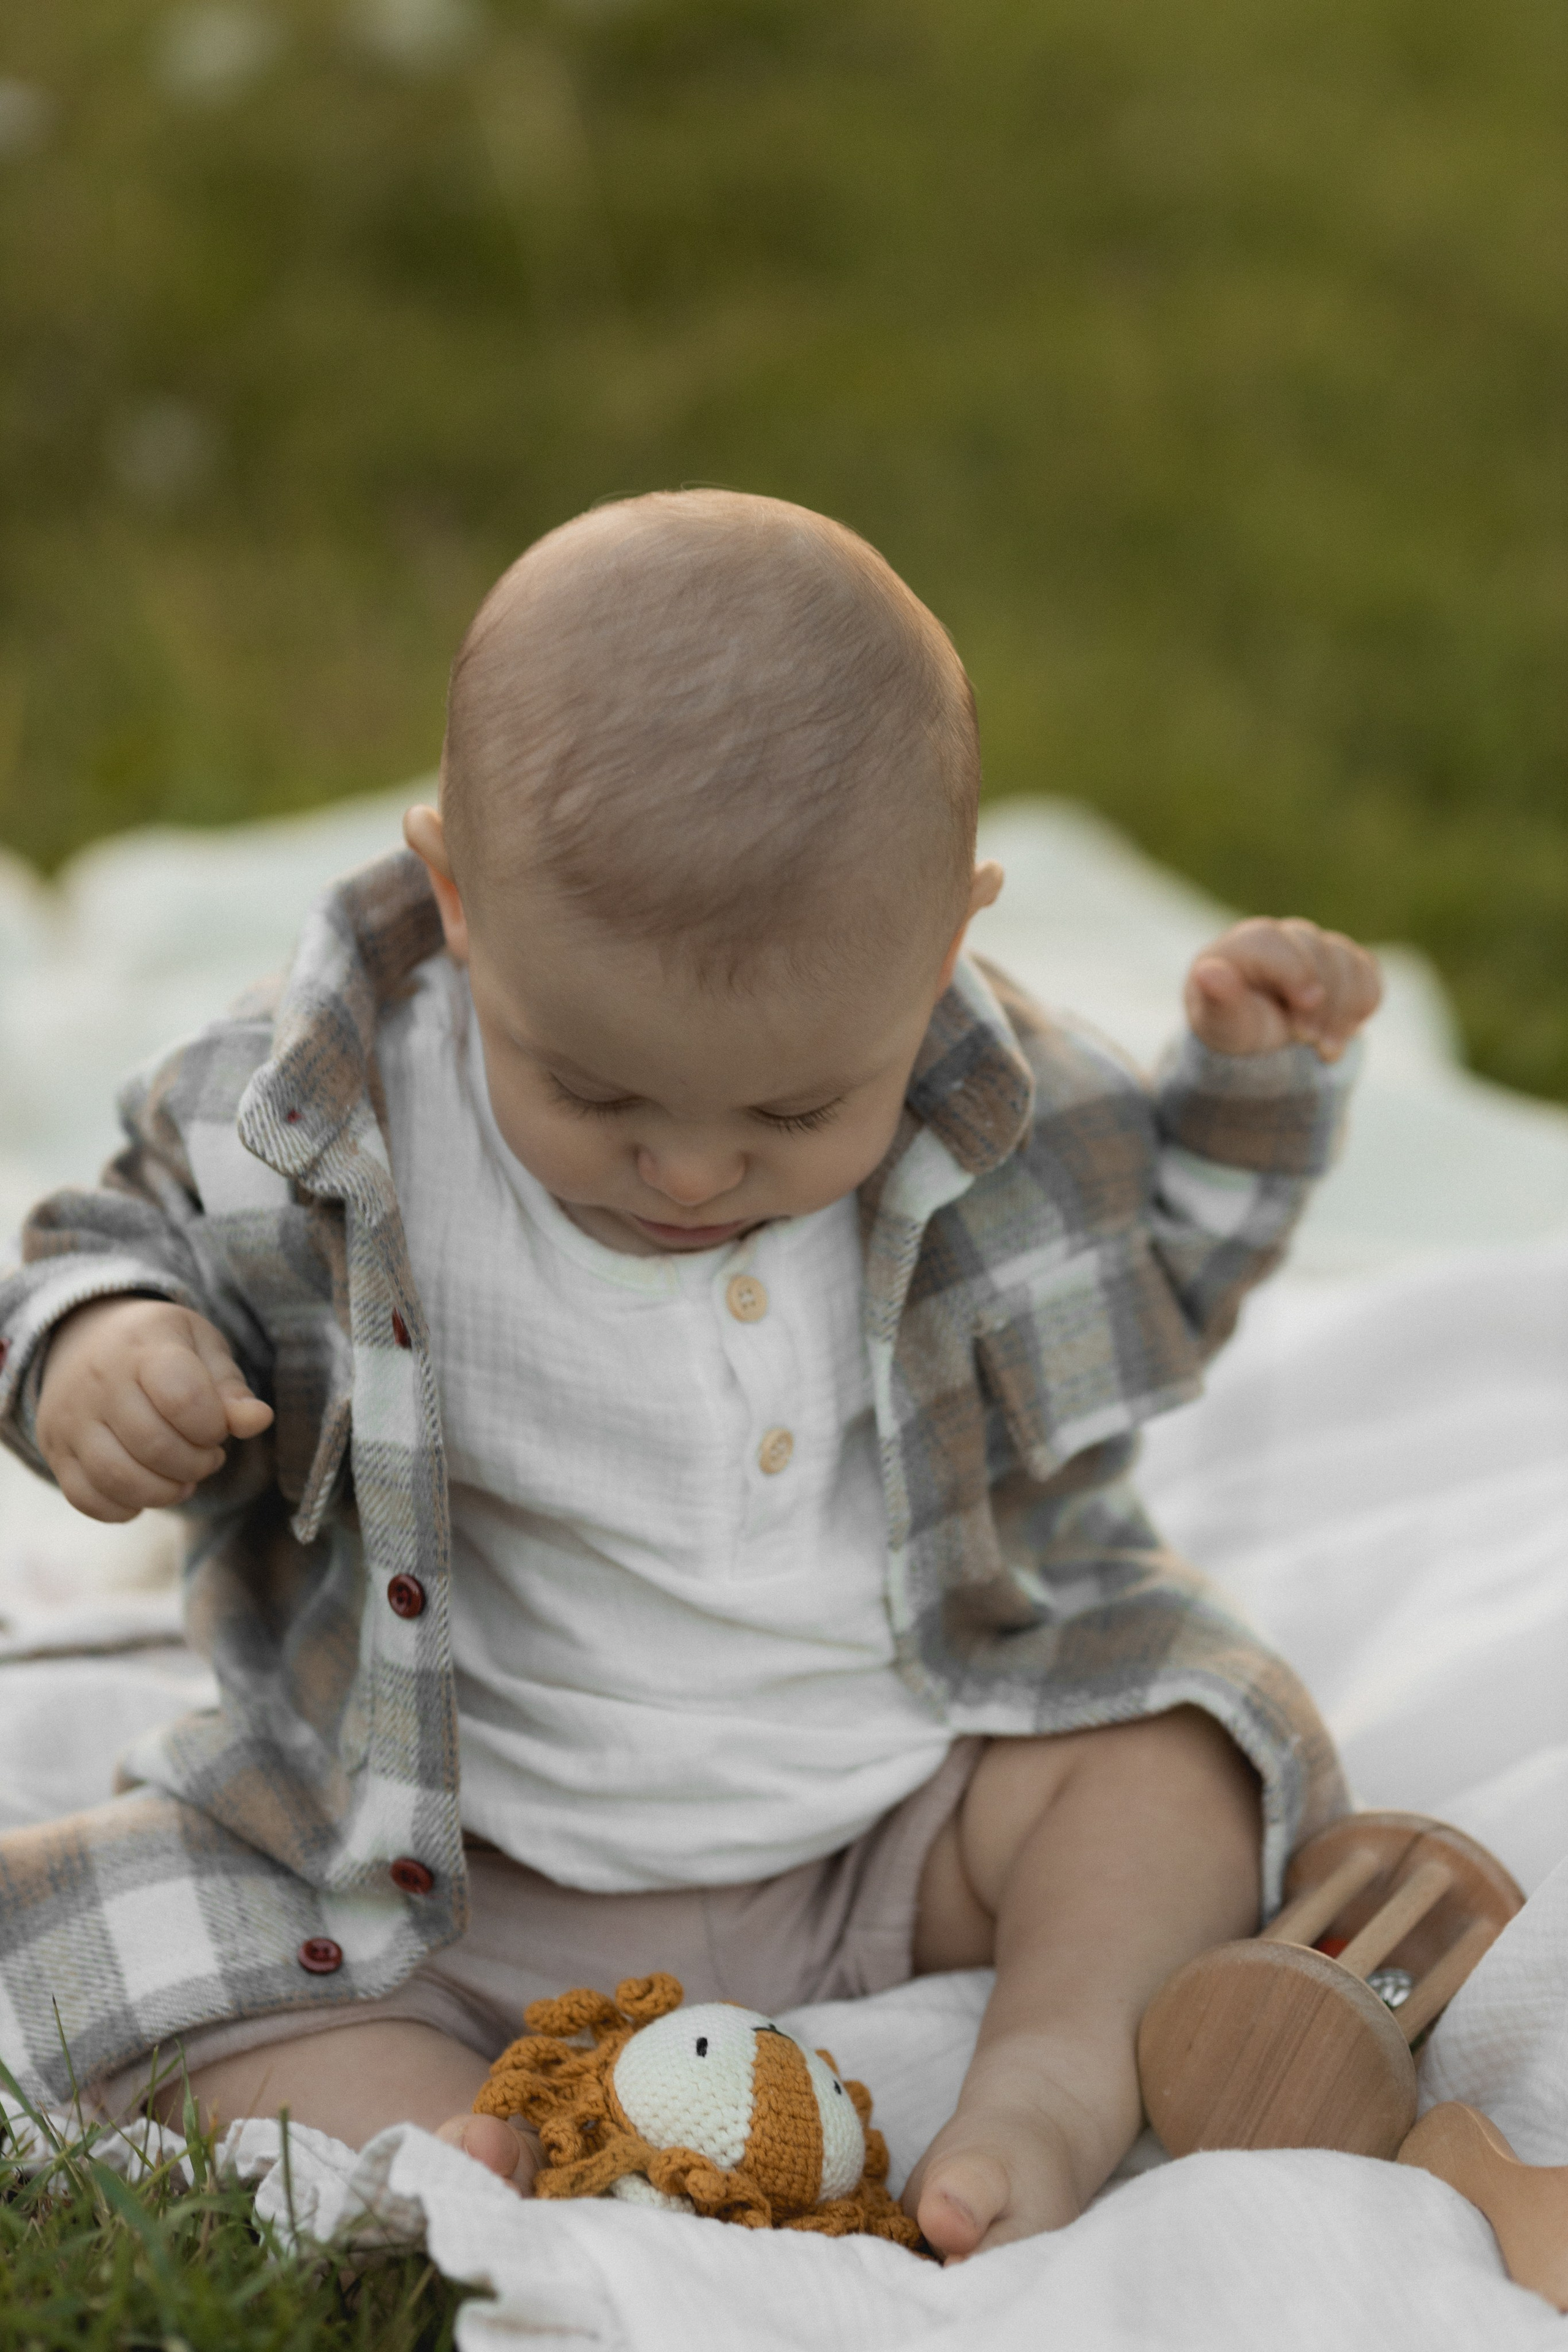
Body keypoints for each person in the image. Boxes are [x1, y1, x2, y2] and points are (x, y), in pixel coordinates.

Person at [0, 491, 1380, 2260]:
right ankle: (474, 2141)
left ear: (944, 948)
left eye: (795, 1112)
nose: (691, 1171)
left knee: (1179, 1756)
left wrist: (1253, 1092)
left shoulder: (979, 1089)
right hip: (450, 1877)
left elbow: (1152, 1272)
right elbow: (102, 1238)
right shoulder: (320, 1116)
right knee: (111, 1947)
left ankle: (1051, 2072)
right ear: (458, 900)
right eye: (594, 1093)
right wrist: (105, 1347)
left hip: (903, 1819)